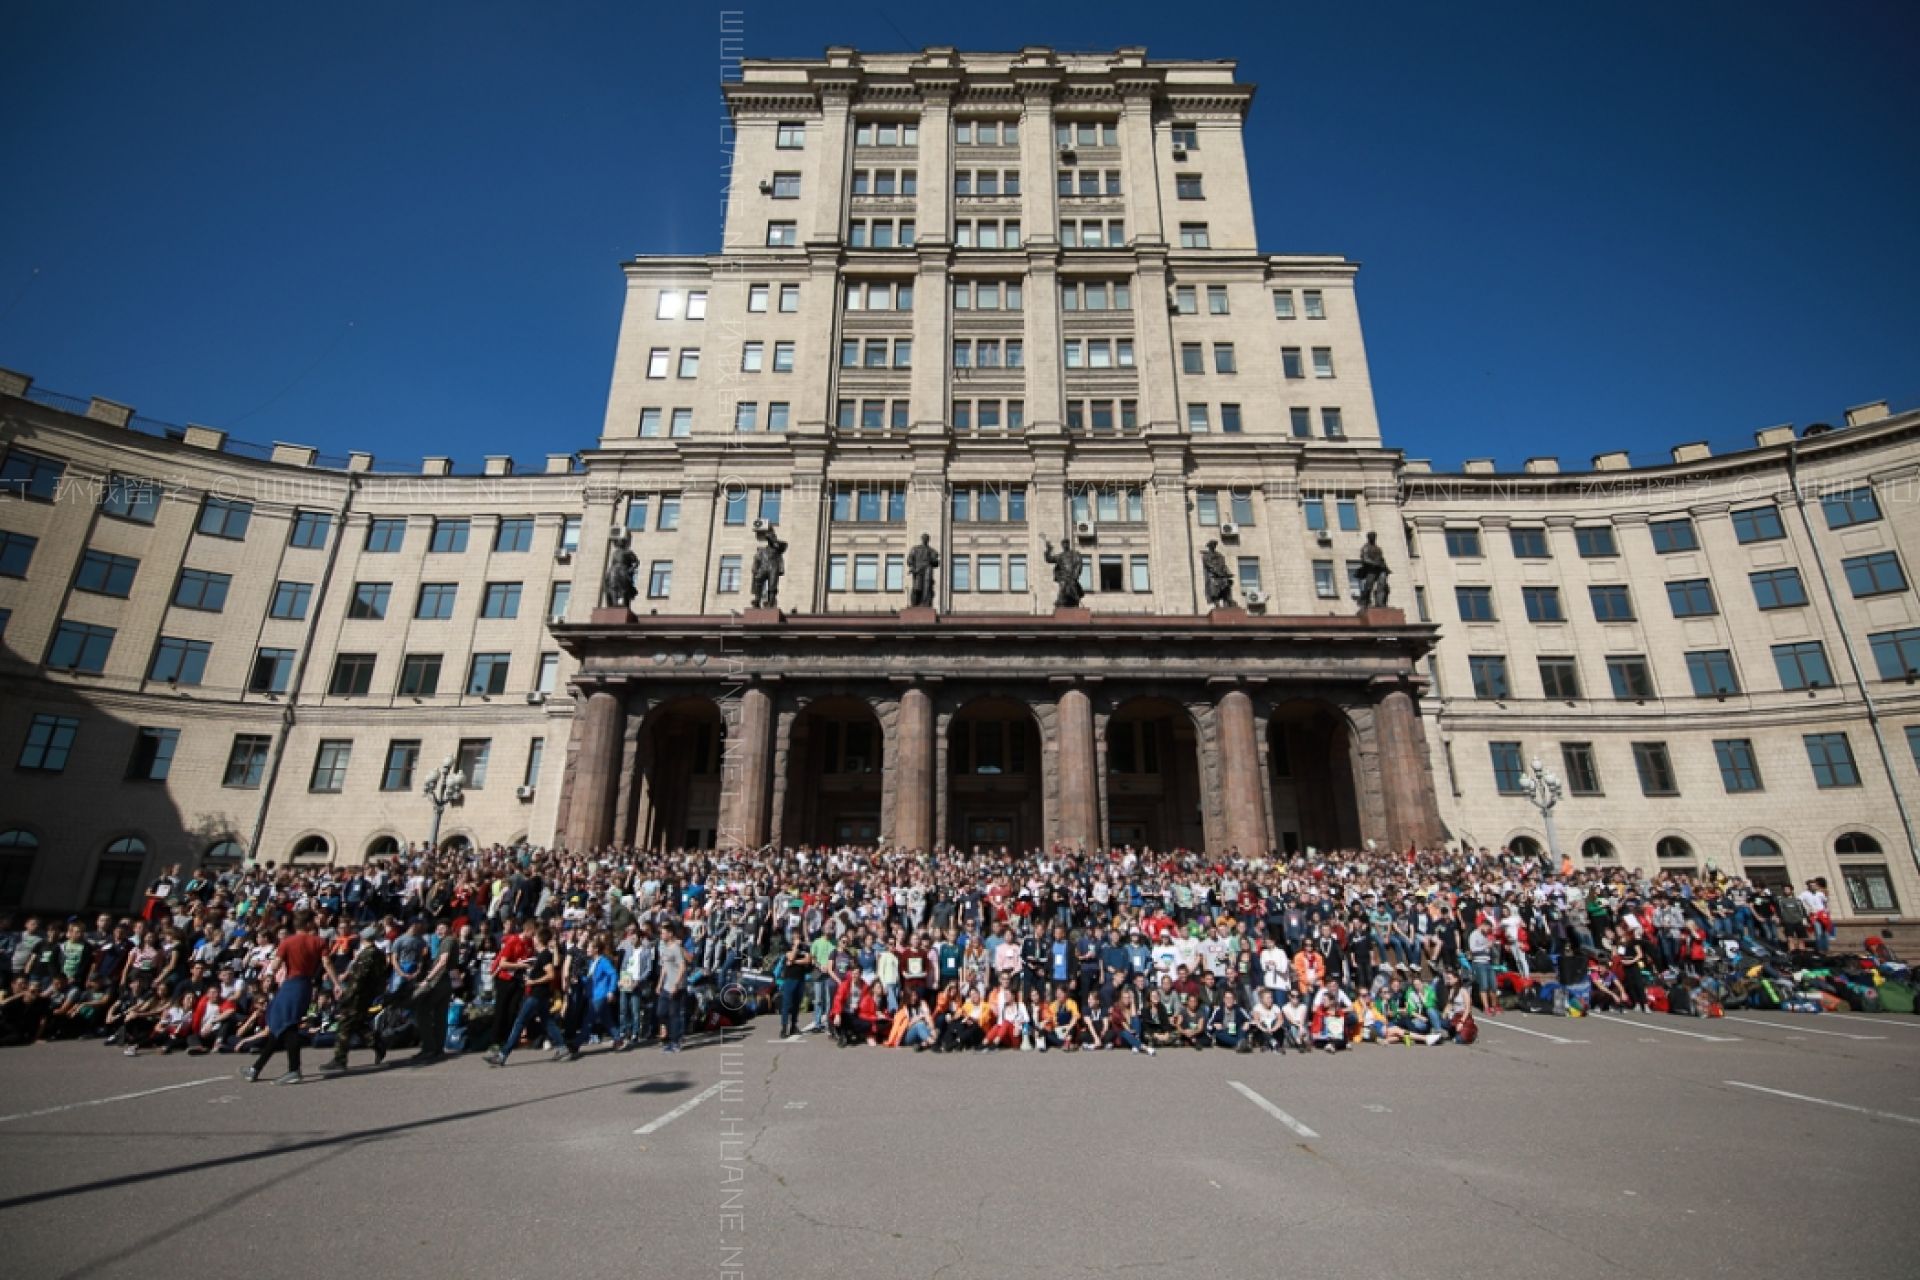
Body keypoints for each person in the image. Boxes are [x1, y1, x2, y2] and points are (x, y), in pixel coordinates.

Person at [248, 910, 324, 1085]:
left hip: (291, 984)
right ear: (309, 924)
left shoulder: (287, 942)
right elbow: (326, 963)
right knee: (281, 1026)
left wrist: (268, 977)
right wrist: (335, 982)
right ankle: (256, 1068)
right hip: (303, 985)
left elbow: (275, 964)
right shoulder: (319, 941)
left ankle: (293, 1070)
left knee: (287, 1026)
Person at [486, 926, 577, 1066]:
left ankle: (502, 1055)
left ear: (539, 939)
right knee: (548, 1022)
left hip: (537, 994)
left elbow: (551, 974)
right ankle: (563, 1048)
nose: (533, 938)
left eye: (535, 936)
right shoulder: (542, 955)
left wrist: (533, 981)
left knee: (519, 1022)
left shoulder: (545, 955)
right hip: (540, 995)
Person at [323, 926, 389, 1073]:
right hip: (366, 994)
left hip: (358, 995)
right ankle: (377, 1043)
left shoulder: (367, 954)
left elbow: (359, 979)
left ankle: (340, 1059)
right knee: (357, 1023)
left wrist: (348, 996)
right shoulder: (377, 953)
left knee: (344, 1024)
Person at [656, 923, 690, 1052]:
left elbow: (682, 966)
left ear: (670, 934)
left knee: (673, 1014)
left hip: (676, 986)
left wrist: (676, 984)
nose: (661, 935)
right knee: (660, 1012)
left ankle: (675, 1042)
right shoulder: (664, 947)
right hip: (666, 986)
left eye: (663, 933)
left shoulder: (676, 947)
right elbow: (664, 966)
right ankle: (667, 1037)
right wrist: (660, 983)